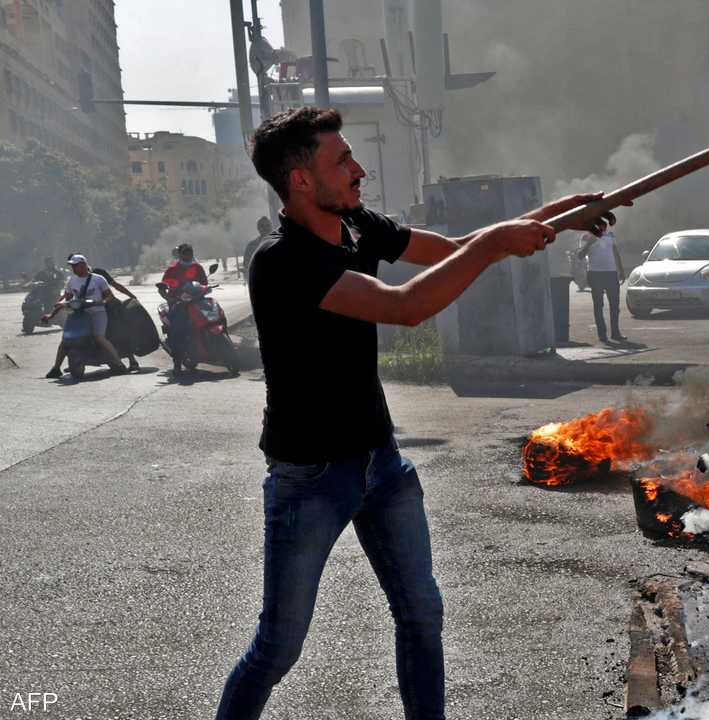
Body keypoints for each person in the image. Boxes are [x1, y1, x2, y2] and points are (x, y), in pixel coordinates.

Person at [216, 106, 618, 720]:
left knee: (421, 615)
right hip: (311, 477)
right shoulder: (283, 261)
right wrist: (497, 243)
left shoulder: (357, 225)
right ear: (299, 180)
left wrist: (558, 215)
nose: (360, 169)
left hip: (382, 462)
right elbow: (406, 306)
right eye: (342, 160)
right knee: (279, 646)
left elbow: (453, 249)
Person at [43, 254, 128, 377]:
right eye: (72, 266)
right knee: (65, 340)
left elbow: (109, 296)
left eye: (75, 265)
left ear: (83, 265)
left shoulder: (98, 279)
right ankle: (56, 368)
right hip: (79, 313)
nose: (73, 268)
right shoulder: (71, 280)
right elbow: (67, 298)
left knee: (99, 337)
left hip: (97, 312)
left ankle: (119, 364)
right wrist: (53, 312)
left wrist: (101, 302)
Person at [578, 228, 626, 343]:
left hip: (611, 273)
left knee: (615, 305)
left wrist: (621, 270)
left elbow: (615, 252)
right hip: (595, 274)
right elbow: (580, 255)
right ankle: (602, 334)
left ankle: (615, 333)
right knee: (598, 305)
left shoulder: (610, 234)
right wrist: (590, 242)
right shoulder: (586, 236)